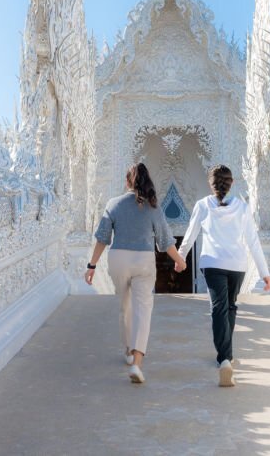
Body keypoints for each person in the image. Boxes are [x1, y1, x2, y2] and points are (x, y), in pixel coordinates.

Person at [85, 163, 187, 384]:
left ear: (127, 181)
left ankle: (129, 350)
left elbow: (103, 237)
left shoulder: (113, 204)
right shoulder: (153, 206)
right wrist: (179, 260)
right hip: (143, 260)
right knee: (143, 310)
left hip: (118, 259)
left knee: (125, 307)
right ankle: (137, 363)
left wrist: (91, 265)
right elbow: (165, 241)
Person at [178, 164, 270, 387]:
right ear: (231, 184)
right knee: (230, 306)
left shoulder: (203, 205)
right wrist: (264, 273)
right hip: (237, 264)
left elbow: (191, 234)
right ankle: (227, 357)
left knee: (218, 308)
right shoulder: (241, 206)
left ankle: (224, 359)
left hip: (212, 263)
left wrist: (181, 258)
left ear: (211, 184)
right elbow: (253, 241)